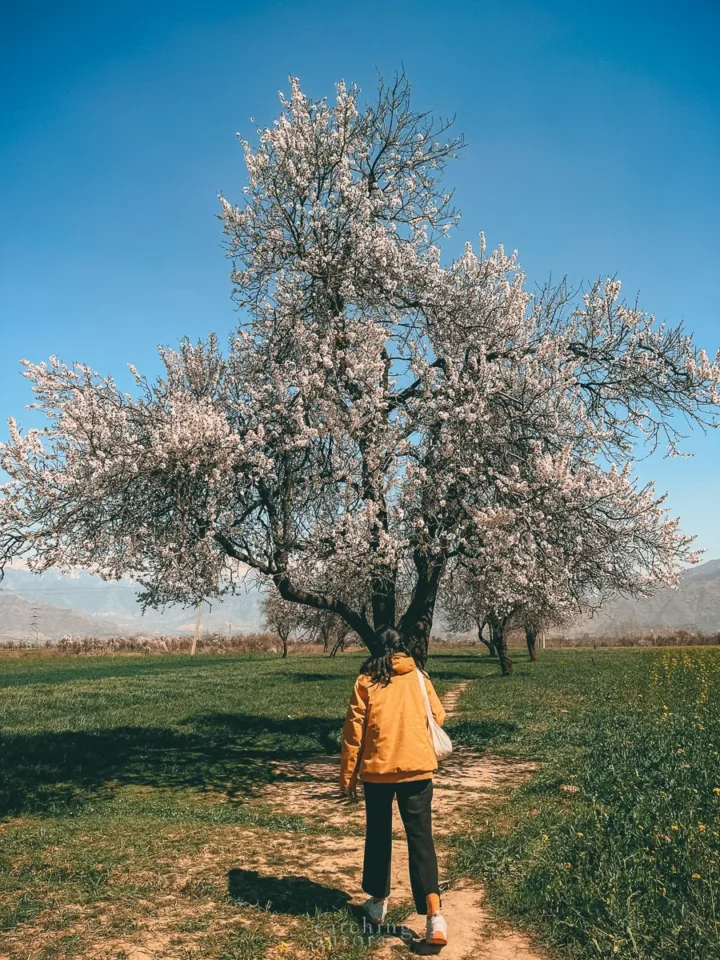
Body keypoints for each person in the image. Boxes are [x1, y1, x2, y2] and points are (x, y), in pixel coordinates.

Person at [339, 628, 449, 946]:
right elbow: (438, 716)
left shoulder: (366, 682)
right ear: (401, 649)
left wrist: (347, 775)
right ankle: (434, 918)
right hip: (417, 771)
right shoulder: (418, 677)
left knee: (378, 836)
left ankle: (377, 903)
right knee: (421, 840)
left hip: (377, 772)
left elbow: (353, 732)